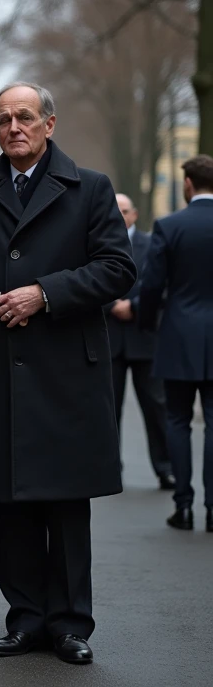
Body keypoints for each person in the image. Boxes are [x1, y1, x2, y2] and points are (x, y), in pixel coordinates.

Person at [0, 82, 134, 665]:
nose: (14, 127)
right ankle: (25, 619)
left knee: (64, 504)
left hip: (66, 371)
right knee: (8, 501)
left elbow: (117, 268)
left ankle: (68, 624)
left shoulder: (89, 188)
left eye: (26, 117)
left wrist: (45, 293)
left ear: (49, 124)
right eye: (4, 119)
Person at [138, 154, 213, 532]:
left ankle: (183, 506)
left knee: (178, 420)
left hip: (179, 333)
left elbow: (152, 285)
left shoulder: (169, 225)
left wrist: (147, 321)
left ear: (187, 184)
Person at [105, 193, 174, 490]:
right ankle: (108, 468)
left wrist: (133, 306)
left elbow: (162, 279)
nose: (119, 216)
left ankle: (165, 468)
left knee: (156, 407)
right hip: (109, 338)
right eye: (114, 211)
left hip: (145, 336)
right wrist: (111, 306)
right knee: (108, 408)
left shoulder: (152, 242)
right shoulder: (97, 242)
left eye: (124, 211)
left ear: (134, 215)